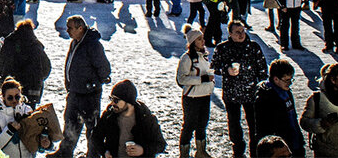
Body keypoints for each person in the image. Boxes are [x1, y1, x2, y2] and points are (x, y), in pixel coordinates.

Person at [47, 16, 111, 158]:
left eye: (70, 28)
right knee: (70, 124)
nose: (67, 30)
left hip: (89, 94)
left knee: (92, 128)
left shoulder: (93, 45)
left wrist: (94, 83)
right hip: (75, 92)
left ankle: (93, 155)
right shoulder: (75, 42)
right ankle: (65, 153)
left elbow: (104, 68)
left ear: (80, 28)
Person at [212, 21, 268, 158]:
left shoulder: (253, 47)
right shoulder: (222, 48)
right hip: (231, 94)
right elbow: (214, 66)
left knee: (254, 125)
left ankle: (255, 151)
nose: (241, 34)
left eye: (243, 31)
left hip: (251, 93)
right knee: (234, 124)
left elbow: (262, 69)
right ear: (230, 33)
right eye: (237, 32)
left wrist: (262, 88)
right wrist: (226, 69)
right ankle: (238, 150)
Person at [90, 80, 167, 158]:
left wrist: (143, 150)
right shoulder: (109, 116)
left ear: (128, 101)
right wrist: (104, 152)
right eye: (111, 99)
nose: (112, 103)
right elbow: (95, 137)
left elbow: (161, 144)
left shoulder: (146, 119)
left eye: (116, 100)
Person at [176, 26, 215, 158]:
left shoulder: (204, 56)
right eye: (199, 39)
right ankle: (184, 153)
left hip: (205, 95)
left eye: (202, 38)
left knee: (202, 124)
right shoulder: (187, 58)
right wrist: (202, 79)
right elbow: (181, 79)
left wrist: (211, 81)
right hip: (192, 97)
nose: (203, 41)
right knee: (189, 125)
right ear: (192, 42)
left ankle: (201, 151)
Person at [254, 59, 304, 157]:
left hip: (293, 142)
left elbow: (293, 118)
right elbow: (263, 128)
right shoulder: (265, 98)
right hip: (279, 148)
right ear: (276, 79)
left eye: (291, 79)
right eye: (286, 80)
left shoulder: (286, 92)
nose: (290, 83)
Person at [0, 20, 51, 105]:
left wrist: (1, 74)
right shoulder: (36, 46)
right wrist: (39, 79)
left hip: (11, 83)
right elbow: (46, 67)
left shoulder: (10, 41)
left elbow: (0, 59)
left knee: (9, 108)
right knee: (28, 109)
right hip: (32, 85)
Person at [0, 78, 35, 158]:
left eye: (17, 97)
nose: (14, 100)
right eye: (10, 98)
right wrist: (10, 130)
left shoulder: (27, 110)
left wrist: (45, 141)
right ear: (3, 97)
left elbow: (34, 139)